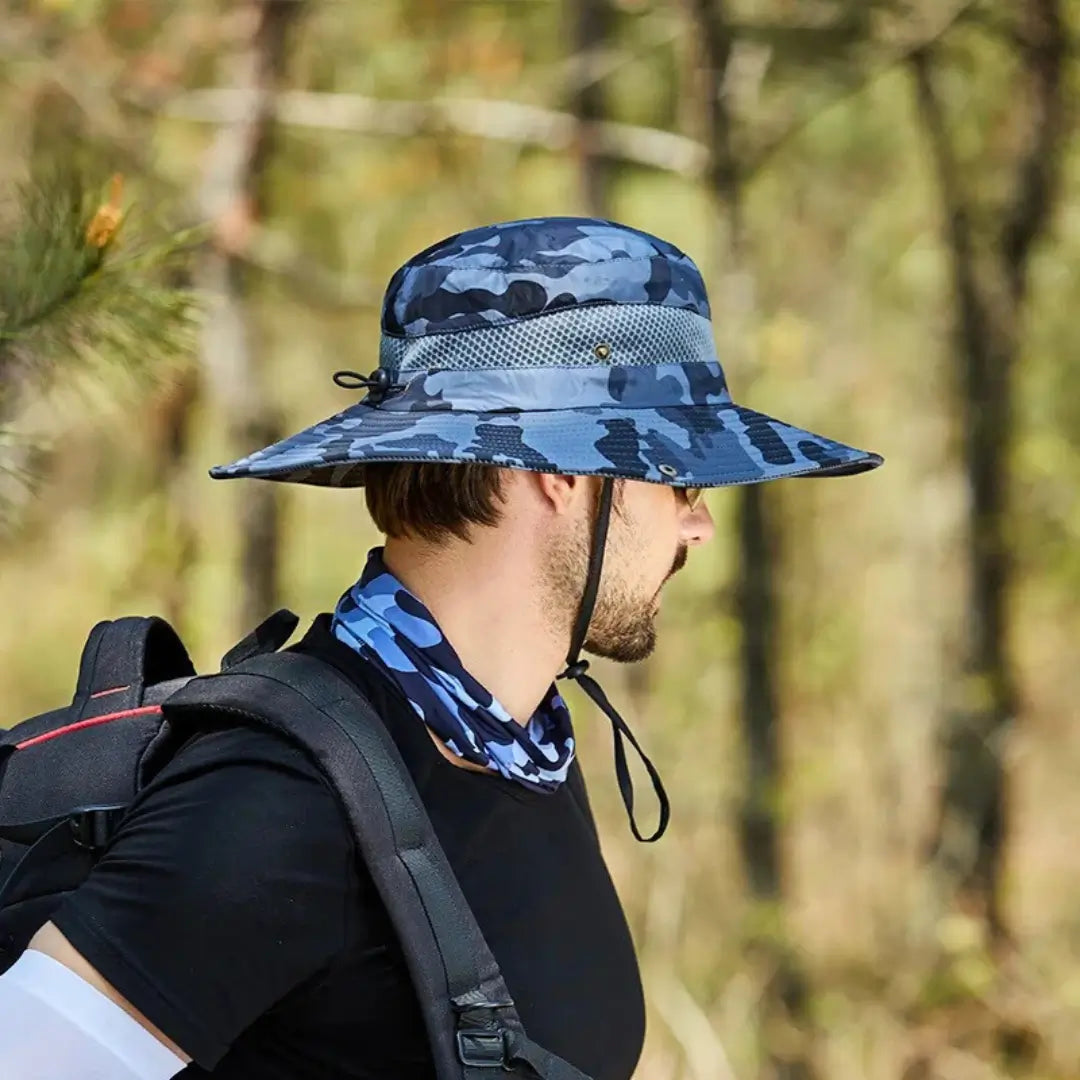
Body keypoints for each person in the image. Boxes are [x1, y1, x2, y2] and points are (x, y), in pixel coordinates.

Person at [0, 217, 881, 1080]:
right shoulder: (278, 800)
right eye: (679, 477)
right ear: (565, 471)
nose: (700, 524)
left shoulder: (522, 749)